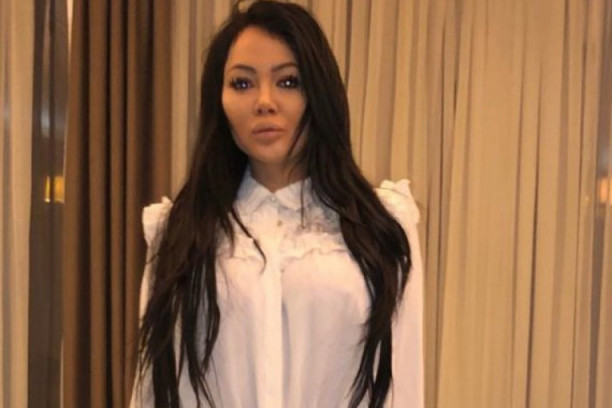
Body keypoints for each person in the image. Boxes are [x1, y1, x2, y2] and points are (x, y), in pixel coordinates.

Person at [130, 1, 424, 407]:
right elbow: (152, 390)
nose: (265, 101)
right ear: (219, 101)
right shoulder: (179, 230)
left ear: (318, 93)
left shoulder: (382, 225)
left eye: (288, 81)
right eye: (242, 84)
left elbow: (402, 386)